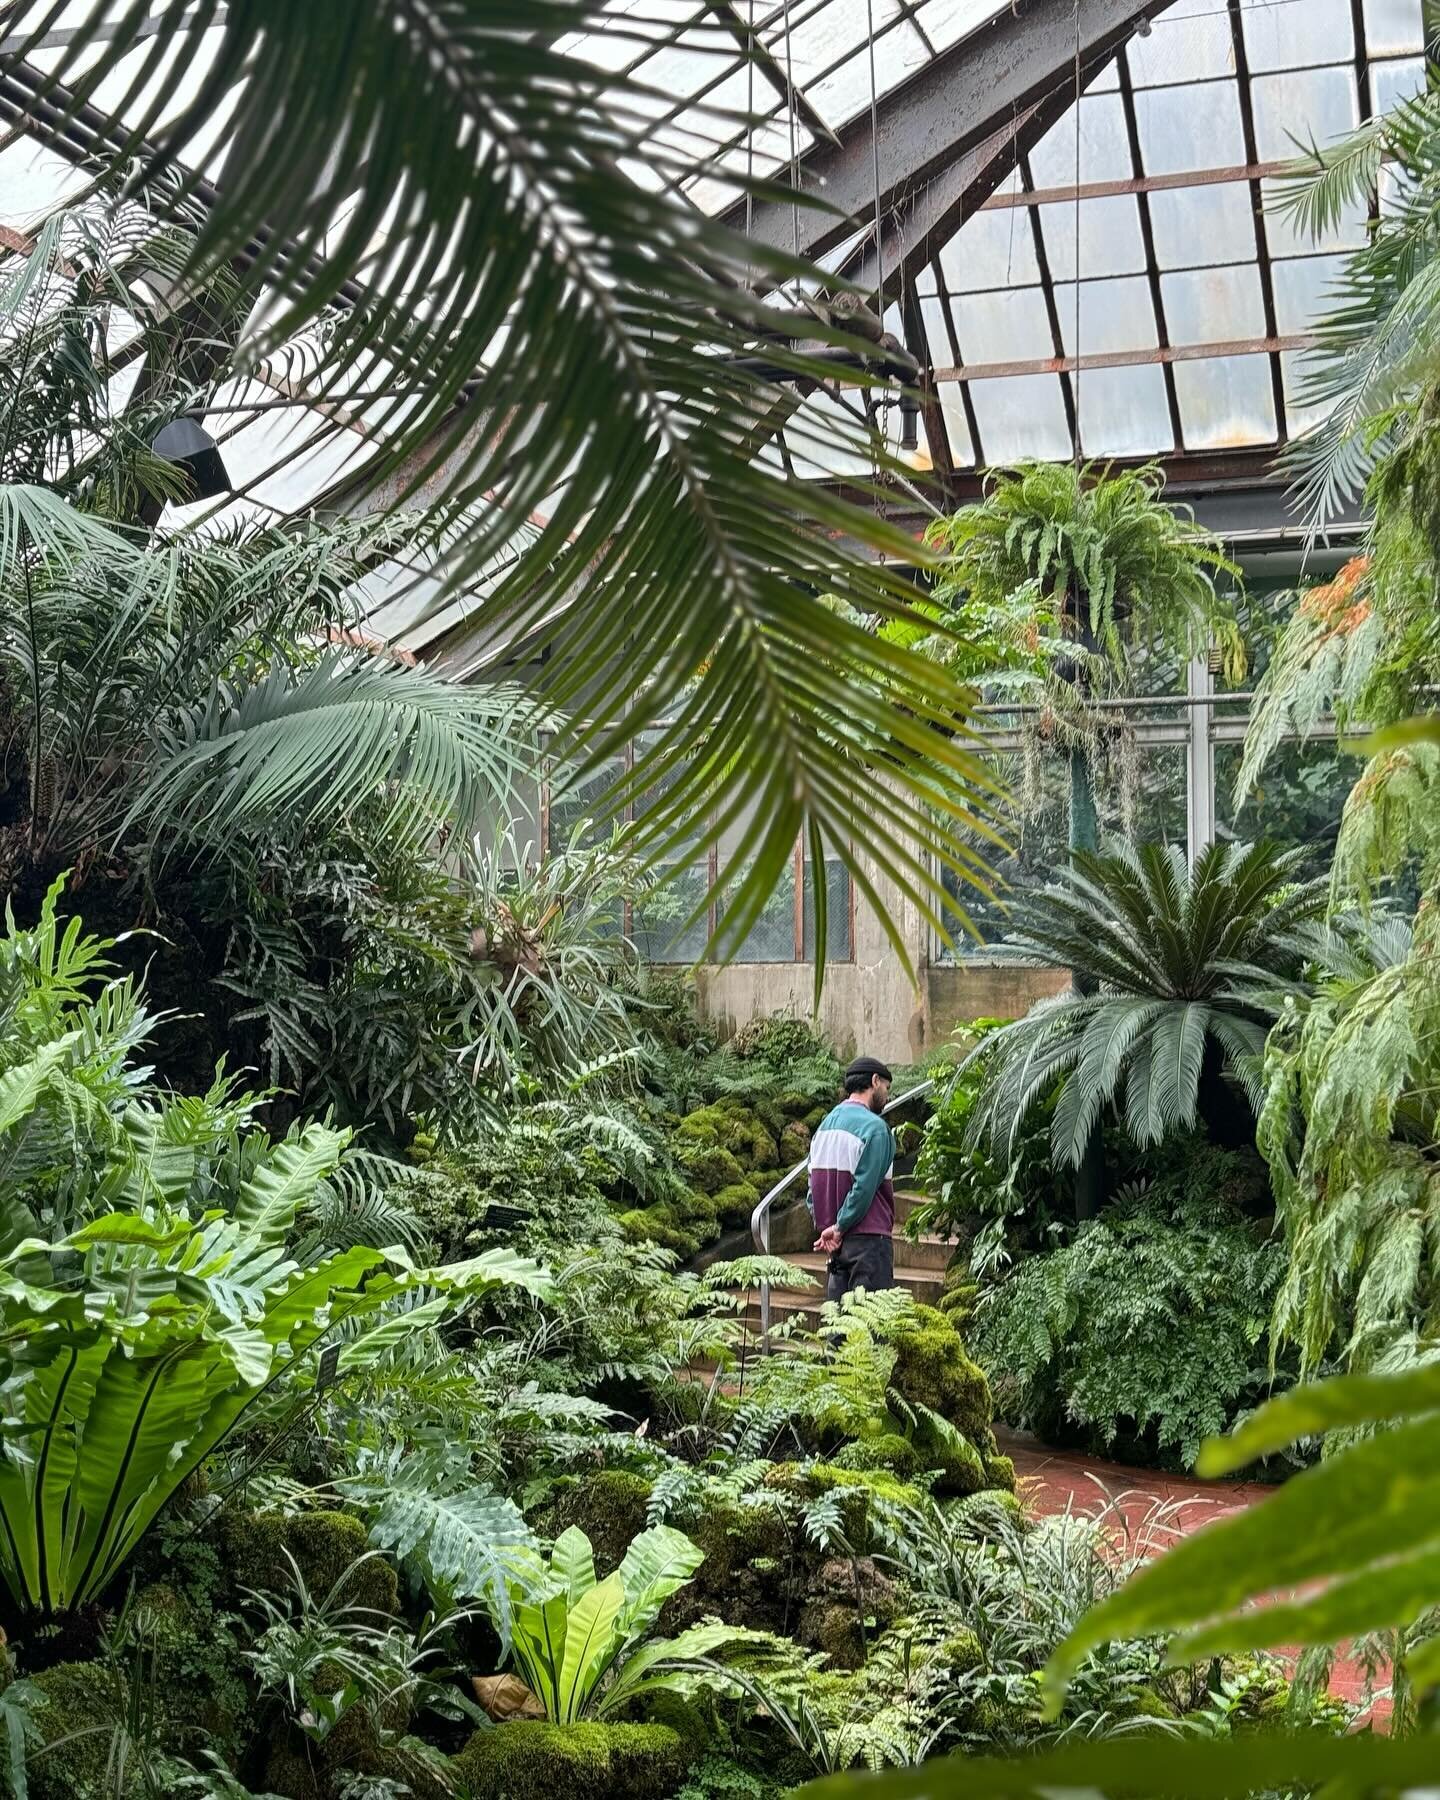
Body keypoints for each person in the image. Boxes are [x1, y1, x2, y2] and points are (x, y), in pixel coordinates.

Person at [808, 1055, 896, 1306]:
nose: (887, 1096)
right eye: (886, 1088)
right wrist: (839, 1226)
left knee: (838, 1332)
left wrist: (827, 1227)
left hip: (836, 1247)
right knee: (873, 1331)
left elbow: (811, 1188)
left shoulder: (824, 1127)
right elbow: (864, 1188)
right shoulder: (876, 1129)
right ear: (874, 1081)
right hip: (869, 1242)